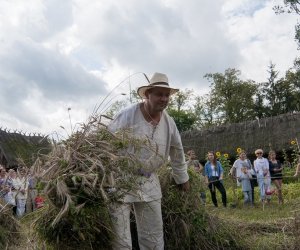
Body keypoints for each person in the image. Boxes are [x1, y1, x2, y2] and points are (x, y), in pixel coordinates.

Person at [108, 72, 190, 250]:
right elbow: (105, 141)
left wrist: (182, 178)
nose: (164, 98)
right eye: (159, 94)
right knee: (120, 239)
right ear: (147, 94)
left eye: (167, 95)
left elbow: (177, 150)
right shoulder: (127, 116)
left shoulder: (169, 123)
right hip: (120, 179)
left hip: (149, 179)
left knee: (153, 236)